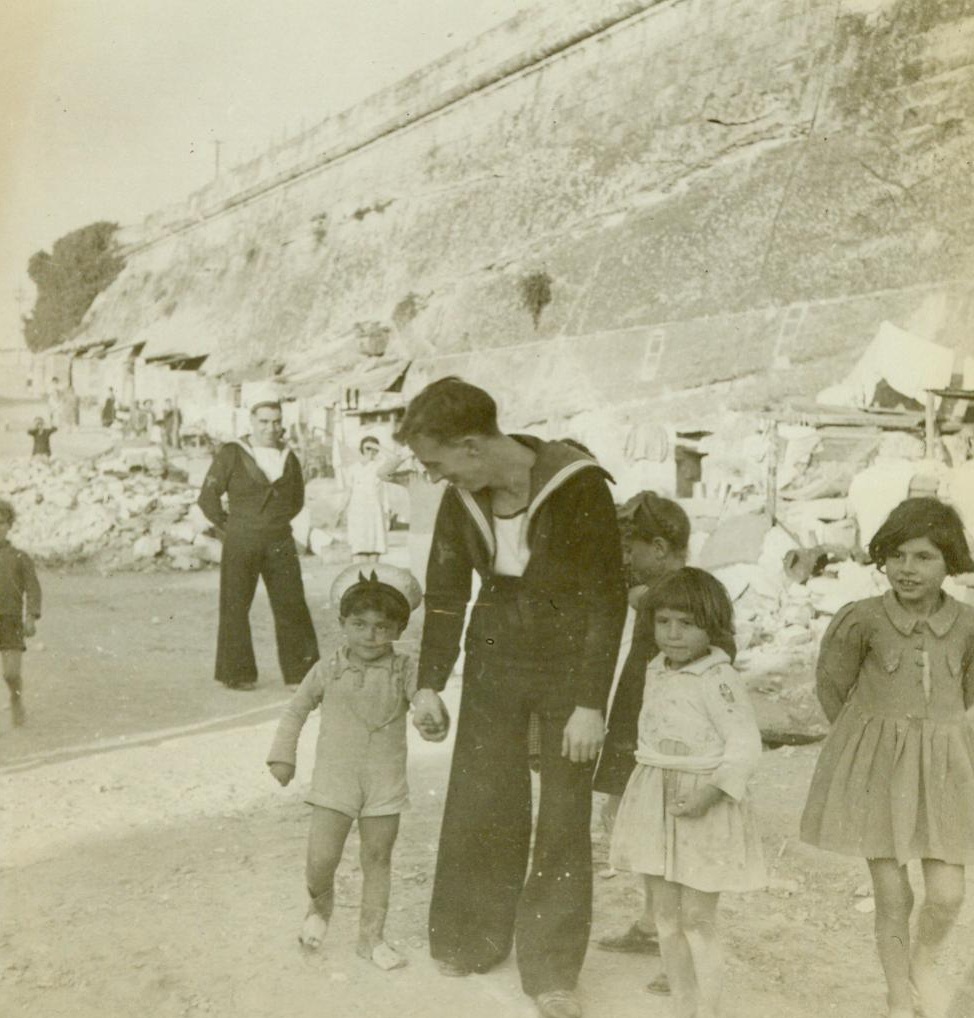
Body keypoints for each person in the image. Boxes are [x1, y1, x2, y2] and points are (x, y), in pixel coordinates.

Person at [400, 377, 627, 1018]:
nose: (434, 475)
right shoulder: (461, 499)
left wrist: (590, 702)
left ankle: (552, 969)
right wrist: (429, 684)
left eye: (436, 462)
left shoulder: (577, 484)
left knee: (562, 811)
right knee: (483, 793)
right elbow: (446, 596)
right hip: (497, 650)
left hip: (567, 657)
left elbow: (608, 601)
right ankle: (473, 936)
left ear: (472, 447)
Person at [800, 497, 974, 1018]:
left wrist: (934, 740)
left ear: (950, 562)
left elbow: (966, 694)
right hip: (878, 772)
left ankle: (922, 963)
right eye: (896, 556)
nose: (907, 569)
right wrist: (866, 744)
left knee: (946, 893)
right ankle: (899, 996)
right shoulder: (863, 619)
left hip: (943, 769)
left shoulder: (967, 624)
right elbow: (833, 686)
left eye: (923, 557)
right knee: (893, 895)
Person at [609, 567, 765, 1018]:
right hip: (657, 795)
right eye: (663, 622)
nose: (673, 634)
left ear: (711, 625)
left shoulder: (718, 678)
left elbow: (744, 746)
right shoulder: (654, 669)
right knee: (665, 917)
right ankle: (682, 1006)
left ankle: (709, 1011)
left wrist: (710, 793)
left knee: (697, 919)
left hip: (704, 800)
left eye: (687, 623)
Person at [267, 564, 424, 970]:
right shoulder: (329, 668)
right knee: (321, 859)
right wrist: (283, 754)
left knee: (378, 858)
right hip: (334, 781)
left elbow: (425, 709)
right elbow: (295, 710)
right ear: (342, 623)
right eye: (359, 624)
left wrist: (432, 718)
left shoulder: (406, 669)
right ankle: (320, 907)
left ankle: (371, 939)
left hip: (384, 782)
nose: (370, 635)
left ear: (398, 630)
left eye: (382, 627)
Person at [593, 492, 690, 993]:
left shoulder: (681, 595)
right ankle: (653, 924)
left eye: (630, 549)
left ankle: (681, 956)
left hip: (668, 733)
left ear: (657, 546)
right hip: (639, 719)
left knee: (669, 840)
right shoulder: (657, 589)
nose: (625, 560)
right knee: (646, 831)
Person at [197, 398, 320, 690]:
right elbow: (208, 496)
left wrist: (273, 522)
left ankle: (301, 675)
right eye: (264, 421)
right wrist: (232, 528)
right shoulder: (232, 453)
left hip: (279, 541)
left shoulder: (289, 456)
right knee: (235, 606)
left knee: (292, 605)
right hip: (241, 541)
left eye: (276, 422)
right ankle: (237, 675)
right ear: (252, 422)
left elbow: (296, 499)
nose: (270, 428)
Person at [0, 500, 42, 727]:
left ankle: (16, 700)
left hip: (10, 621)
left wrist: (31, 616)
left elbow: (33, 588)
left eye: (1, 523)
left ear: (9, 525)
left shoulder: (19, 557)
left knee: (10, 673)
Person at [341, 436, 402, 562]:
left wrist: (378, 447)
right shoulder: (352, 469)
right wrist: (342, 510)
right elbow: (348, 492)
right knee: (359, 549)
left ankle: (373, 578)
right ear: (361, 449)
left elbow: (396, 459)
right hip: (357, 511)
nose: (371, 452)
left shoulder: (380, 467)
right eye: (367, 448)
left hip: (374, 511)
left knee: (375, 548)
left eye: (374, 449)